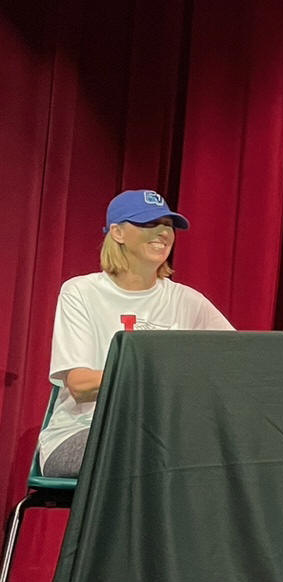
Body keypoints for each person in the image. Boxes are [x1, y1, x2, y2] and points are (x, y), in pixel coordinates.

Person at [37, 189, 234, 477]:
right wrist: (158, 374)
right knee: (157, 452)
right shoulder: (81, 291)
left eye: (168, 225)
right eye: (149, 223)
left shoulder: (188, 301)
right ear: (117, 233)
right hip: (84, 432)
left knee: (211, 450)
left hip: (162, 434)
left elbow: (236, 360)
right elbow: (80, 384)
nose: (163, 233)